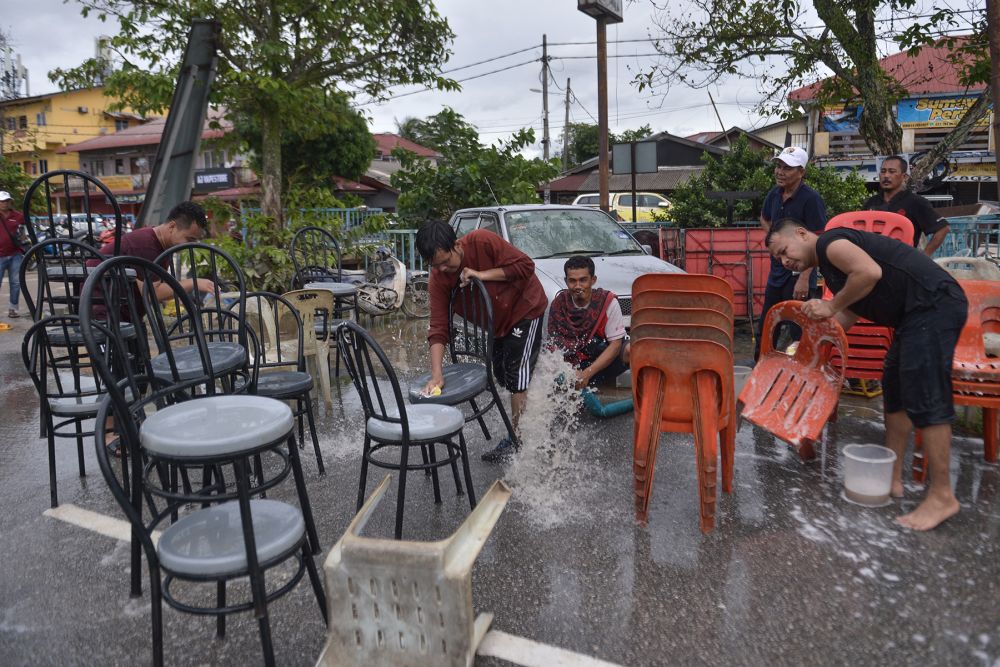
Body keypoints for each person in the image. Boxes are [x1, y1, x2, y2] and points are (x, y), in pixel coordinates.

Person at [766, 217, 968, 531]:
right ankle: (893, 476)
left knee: (925, 392)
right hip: (914, 316)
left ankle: (943, 495)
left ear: (802, 233)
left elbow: (869, 273)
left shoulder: (830, 243)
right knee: (895, 385)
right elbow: (850, 312)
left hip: (934, 303)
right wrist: (809, 352)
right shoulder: (833, 269)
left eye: (784, 249)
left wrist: (830, 307)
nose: (785, 260)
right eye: (778, 258)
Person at [416, 220, 548, 461]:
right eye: (437, 266)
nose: (444, 269)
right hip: (497, 324)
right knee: (502, 375)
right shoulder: (438, 279)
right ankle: (535, 392)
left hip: (525, 308)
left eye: (446, 262)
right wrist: (437, 374)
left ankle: (518, 442)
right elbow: (437, 328)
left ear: (457, 245)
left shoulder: (482, 240)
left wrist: (481, 275)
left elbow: (526, 266)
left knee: (517, 376)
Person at [755, 146, 827, 361]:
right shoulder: (774, 194)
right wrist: (778, 243)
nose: (780, 172)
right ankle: (760, 366)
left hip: (800, 273)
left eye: (787, 168)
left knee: (798, 326)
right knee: (769, 322)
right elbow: (764, 218)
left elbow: (818, 242)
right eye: (778, 166)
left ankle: (800, 369)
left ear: (801, 172)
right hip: (777, 272)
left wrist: (804, 280)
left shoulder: (811, 199)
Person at [95, 200, 213, 302]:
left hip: (116, 306)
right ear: (172, 227)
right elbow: (152, 293)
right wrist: (193, 283)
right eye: (189, 239)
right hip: (102, 309)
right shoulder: (145, 245)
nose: (189, 245)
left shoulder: (159, 243)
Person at [547, 255, 628, 389]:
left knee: (630, 351)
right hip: (572, 360)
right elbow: (553, 344)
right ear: (566, 282)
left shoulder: (607, 302)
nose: (578, 286)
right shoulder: (559, 304)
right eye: (572, 281)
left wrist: (586, 374)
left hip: (601, 357)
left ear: (593, 280)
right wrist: (568, 372)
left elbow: (615, 345)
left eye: (583, 280)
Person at [863, 155, 949, 255]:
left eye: (892, 171)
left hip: (901, 263)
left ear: (904, 176)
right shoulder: (871, 202)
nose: (886, 175)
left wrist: (924, 258)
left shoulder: (915, 202)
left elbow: (943, 228)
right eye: (883, 171)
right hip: (872, 262)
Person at [0, 190, 26, 318]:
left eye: (6, 201)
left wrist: (22, 238)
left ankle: (13, 309)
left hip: (15, 254)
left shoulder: (18, 216)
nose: (4, 203)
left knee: (15, 283)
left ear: (10, 202)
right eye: (2, 201)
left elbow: (24, 231)